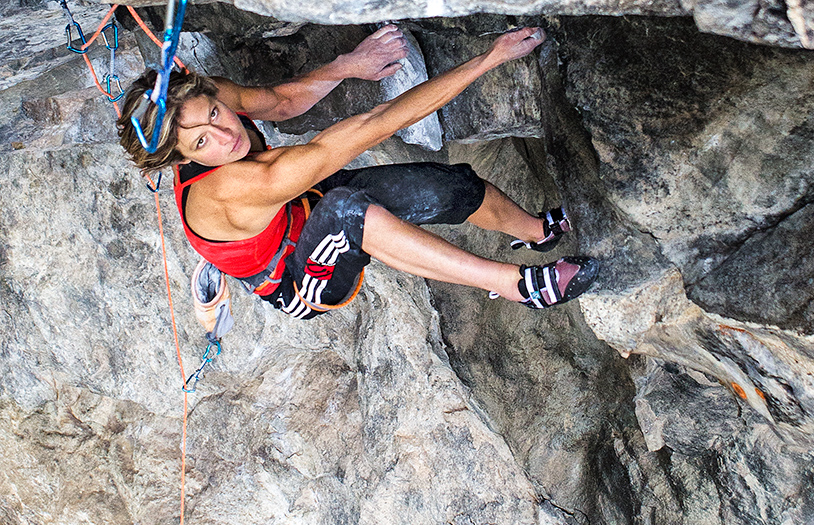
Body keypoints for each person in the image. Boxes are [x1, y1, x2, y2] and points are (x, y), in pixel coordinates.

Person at [117, 24, 598, 320]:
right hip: (296, 277)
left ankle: (538, 230)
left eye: (216, 116)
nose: (225, 137)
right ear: (180, 159)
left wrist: (349, 65)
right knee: (348, 211)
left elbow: (282, 104)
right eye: (201, 142)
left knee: (449, 186)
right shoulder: (237, 187)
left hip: (298, 206)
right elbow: (378, 122)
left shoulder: (207, 97)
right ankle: (514, 285)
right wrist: (488, 59)